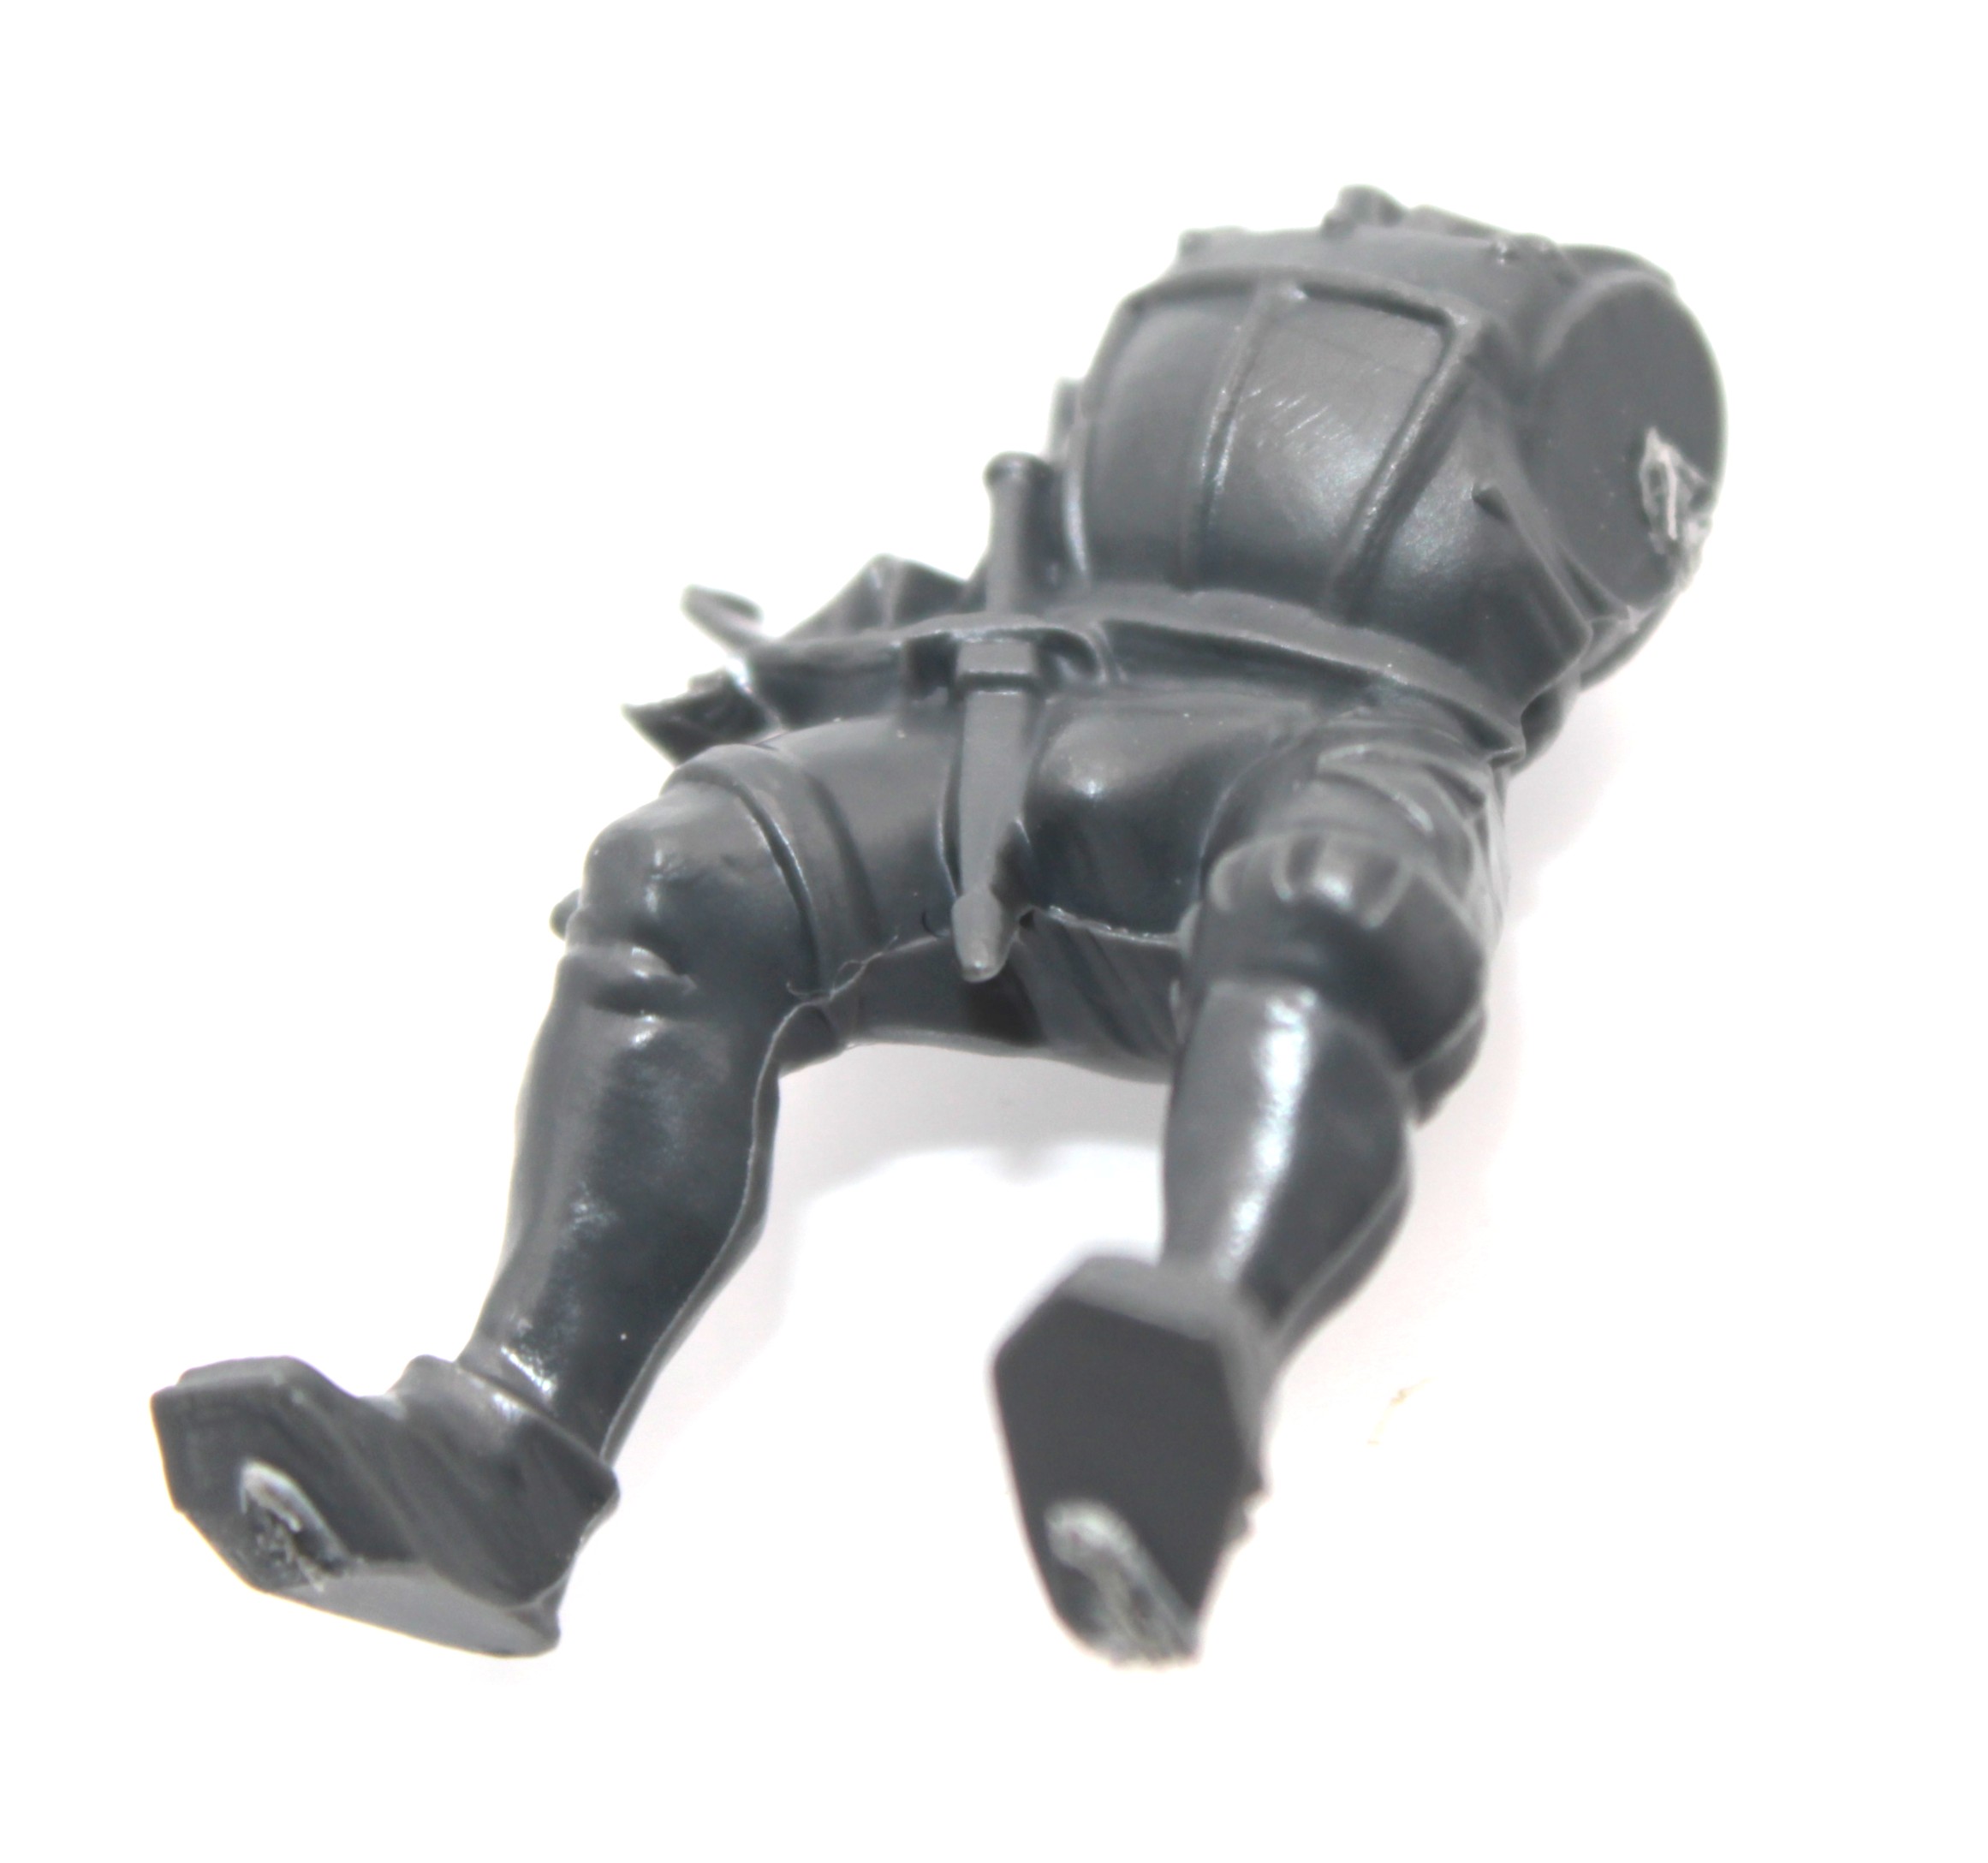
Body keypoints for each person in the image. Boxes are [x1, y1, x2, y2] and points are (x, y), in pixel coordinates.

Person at [153, 187, 1722, 1663]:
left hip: (1354, 726)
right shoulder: (1211, 277)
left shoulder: (1593, 333)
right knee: (686, 873)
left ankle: (1188, 1366)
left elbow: (1595, 564)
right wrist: (842, 650)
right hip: (1030, 688)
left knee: (1338, 903)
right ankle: (503, 1450)